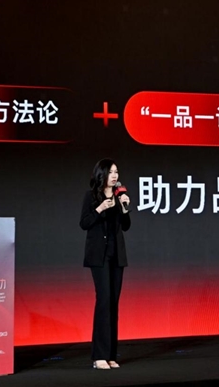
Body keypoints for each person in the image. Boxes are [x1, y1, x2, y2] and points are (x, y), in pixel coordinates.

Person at [80, 158, 131, 370]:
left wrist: (125, 208)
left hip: (116, 255)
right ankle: (99, 355)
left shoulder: (119, 196)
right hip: (99, 257)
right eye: (111, 172)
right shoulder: (92, 196)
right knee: (104, 301)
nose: (115, 175)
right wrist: (100, 208)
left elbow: (126, 226)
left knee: (113, 303)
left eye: (116, 172)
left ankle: (110, 354)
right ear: (102, 174)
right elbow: (84, 223)